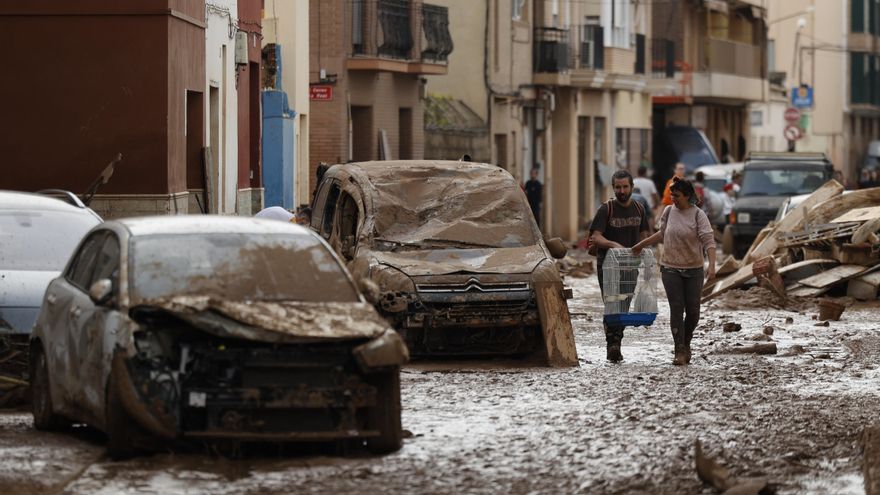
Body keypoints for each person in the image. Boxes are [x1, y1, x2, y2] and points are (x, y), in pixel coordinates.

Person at [632, 177, 716, 365]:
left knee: (693, 312)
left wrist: (712, 265)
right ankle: (679, 350)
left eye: (677, 196)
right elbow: (661, 234)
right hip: (670, 268)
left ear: (687, 196)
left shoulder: (698, 215)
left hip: (694, 269)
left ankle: (686, 343)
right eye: (672, 195)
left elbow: (709, 241)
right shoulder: (669, 211)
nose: (673, 199)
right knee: (676, 309)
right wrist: (641, 245)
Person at [588, 169, 650, 362]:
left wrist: (640, 251)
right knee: (612, 303)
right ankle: (612, 345)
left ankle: (617, 341)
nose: (621, 191)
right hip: (607, 265)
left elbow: (644, 234)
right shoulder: (606, 209)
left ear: (632, 187)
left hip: (630, 265)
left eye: (625, 187)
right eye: (617, 187)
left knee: (623, 303)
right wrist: (614, 245)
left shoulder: (639, 209)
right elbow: (595, 236)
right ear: (613, 188)